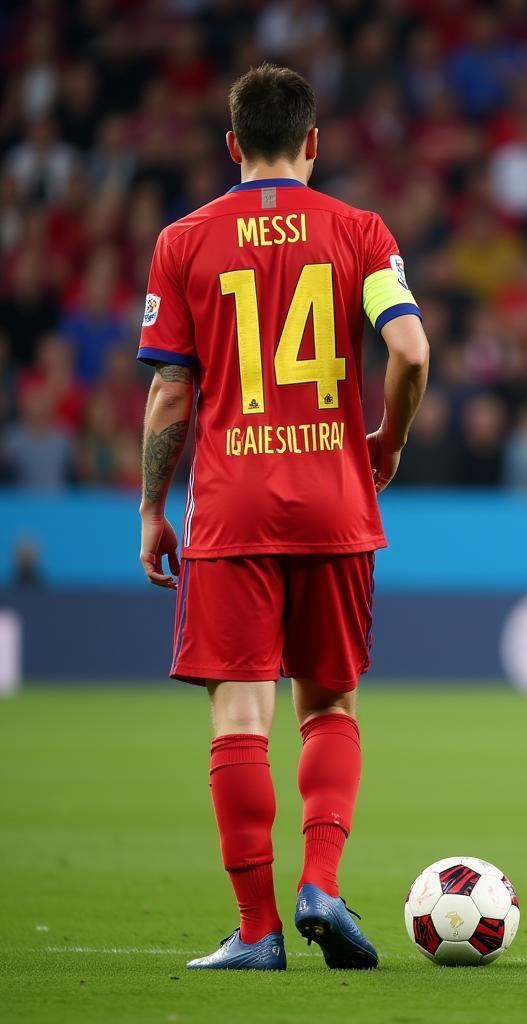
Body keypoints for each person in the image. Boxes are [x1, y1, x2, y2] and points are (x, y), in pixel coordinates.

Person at [136, 64, 429, 972]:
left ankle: (259, 929)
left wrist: (152, 505)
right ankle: (324, 883)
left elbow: (170, 397)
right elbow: (411, 350)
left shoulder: (183, 241)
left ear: (232, 146)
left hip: (232, 510)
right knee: (330, 704)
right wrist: (386, 437)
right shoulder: (359, 233)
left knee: (239, 717)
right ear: (313, 142)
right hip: (338, 504)